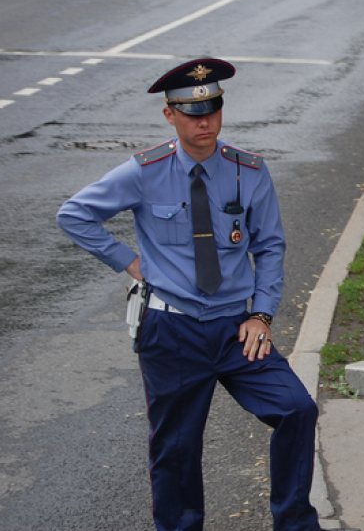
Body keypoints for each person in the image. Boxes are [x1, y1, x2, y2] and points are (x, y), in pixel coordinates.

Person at [57, 58, 324, 531]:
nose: (205, 122)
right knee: (176, 447)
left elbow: (269, 246)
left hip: (234, 328)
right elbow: (75, 215)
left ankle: (296, 523)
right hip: (171, 329)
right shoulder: (144, 171)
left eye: (213, 110)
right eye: (192, 112)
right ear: (170, 115)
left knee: (296, 408)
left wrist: (261, 315)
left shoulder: (249, 171)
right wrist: (130, 262)